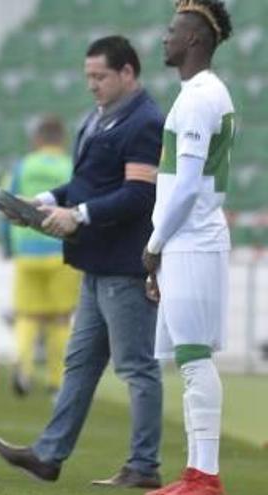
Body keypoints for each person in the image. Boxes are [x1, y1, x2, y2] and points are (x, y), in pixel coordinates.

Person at [0, 35, 165, 489]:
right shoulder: (102, 116)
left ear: (128, 73)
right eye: (88, 76)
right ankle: (49, 455)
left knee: (136, 367)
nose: (92, 85)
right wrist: (47, 199)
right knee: (80, 363)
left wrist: (79, 215)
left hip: (125, 266)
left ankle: (144, 465)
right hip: (95, 263)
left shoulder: (145, 121)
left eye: (100, 76)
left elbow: (139, 193)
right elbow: (87, 182)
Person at [144, 2, 234, 495]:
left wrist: (155, 244)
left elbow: (187, 186)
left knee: (195, 357)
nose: (164, 38)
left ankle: (205, 475)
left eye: (173, 30)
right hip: (187, 241)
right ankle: (196, 473)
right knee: (188, 358)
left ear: (195, 40)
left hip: (192, 241)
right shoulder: (199, 94)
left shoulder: (200, 98)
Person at [3, 116, 80, 397]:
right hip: (61, 250)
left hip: (27, 252)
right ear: (62, 140)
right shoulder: (71, 167)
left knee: (28, 315)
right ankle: (56, 381)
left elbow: (7, 205)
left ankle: (22, 368)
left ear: (37, 139)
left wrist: (8, 247)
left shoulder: (22, 166)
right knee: (60, 318)